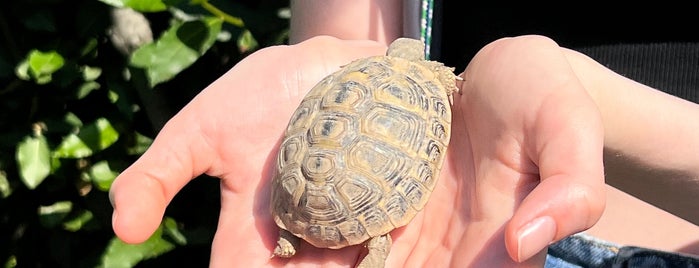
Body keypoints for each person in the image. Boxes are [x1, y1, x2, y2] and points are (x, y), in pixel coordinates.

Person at [110, 1, 699, 267]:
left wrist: (589, 101)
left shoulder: (422, 81)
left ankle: (310, 235)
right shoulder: (426, 83)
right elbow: (348, 41)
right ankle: (360, 241)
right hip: (472, 224)